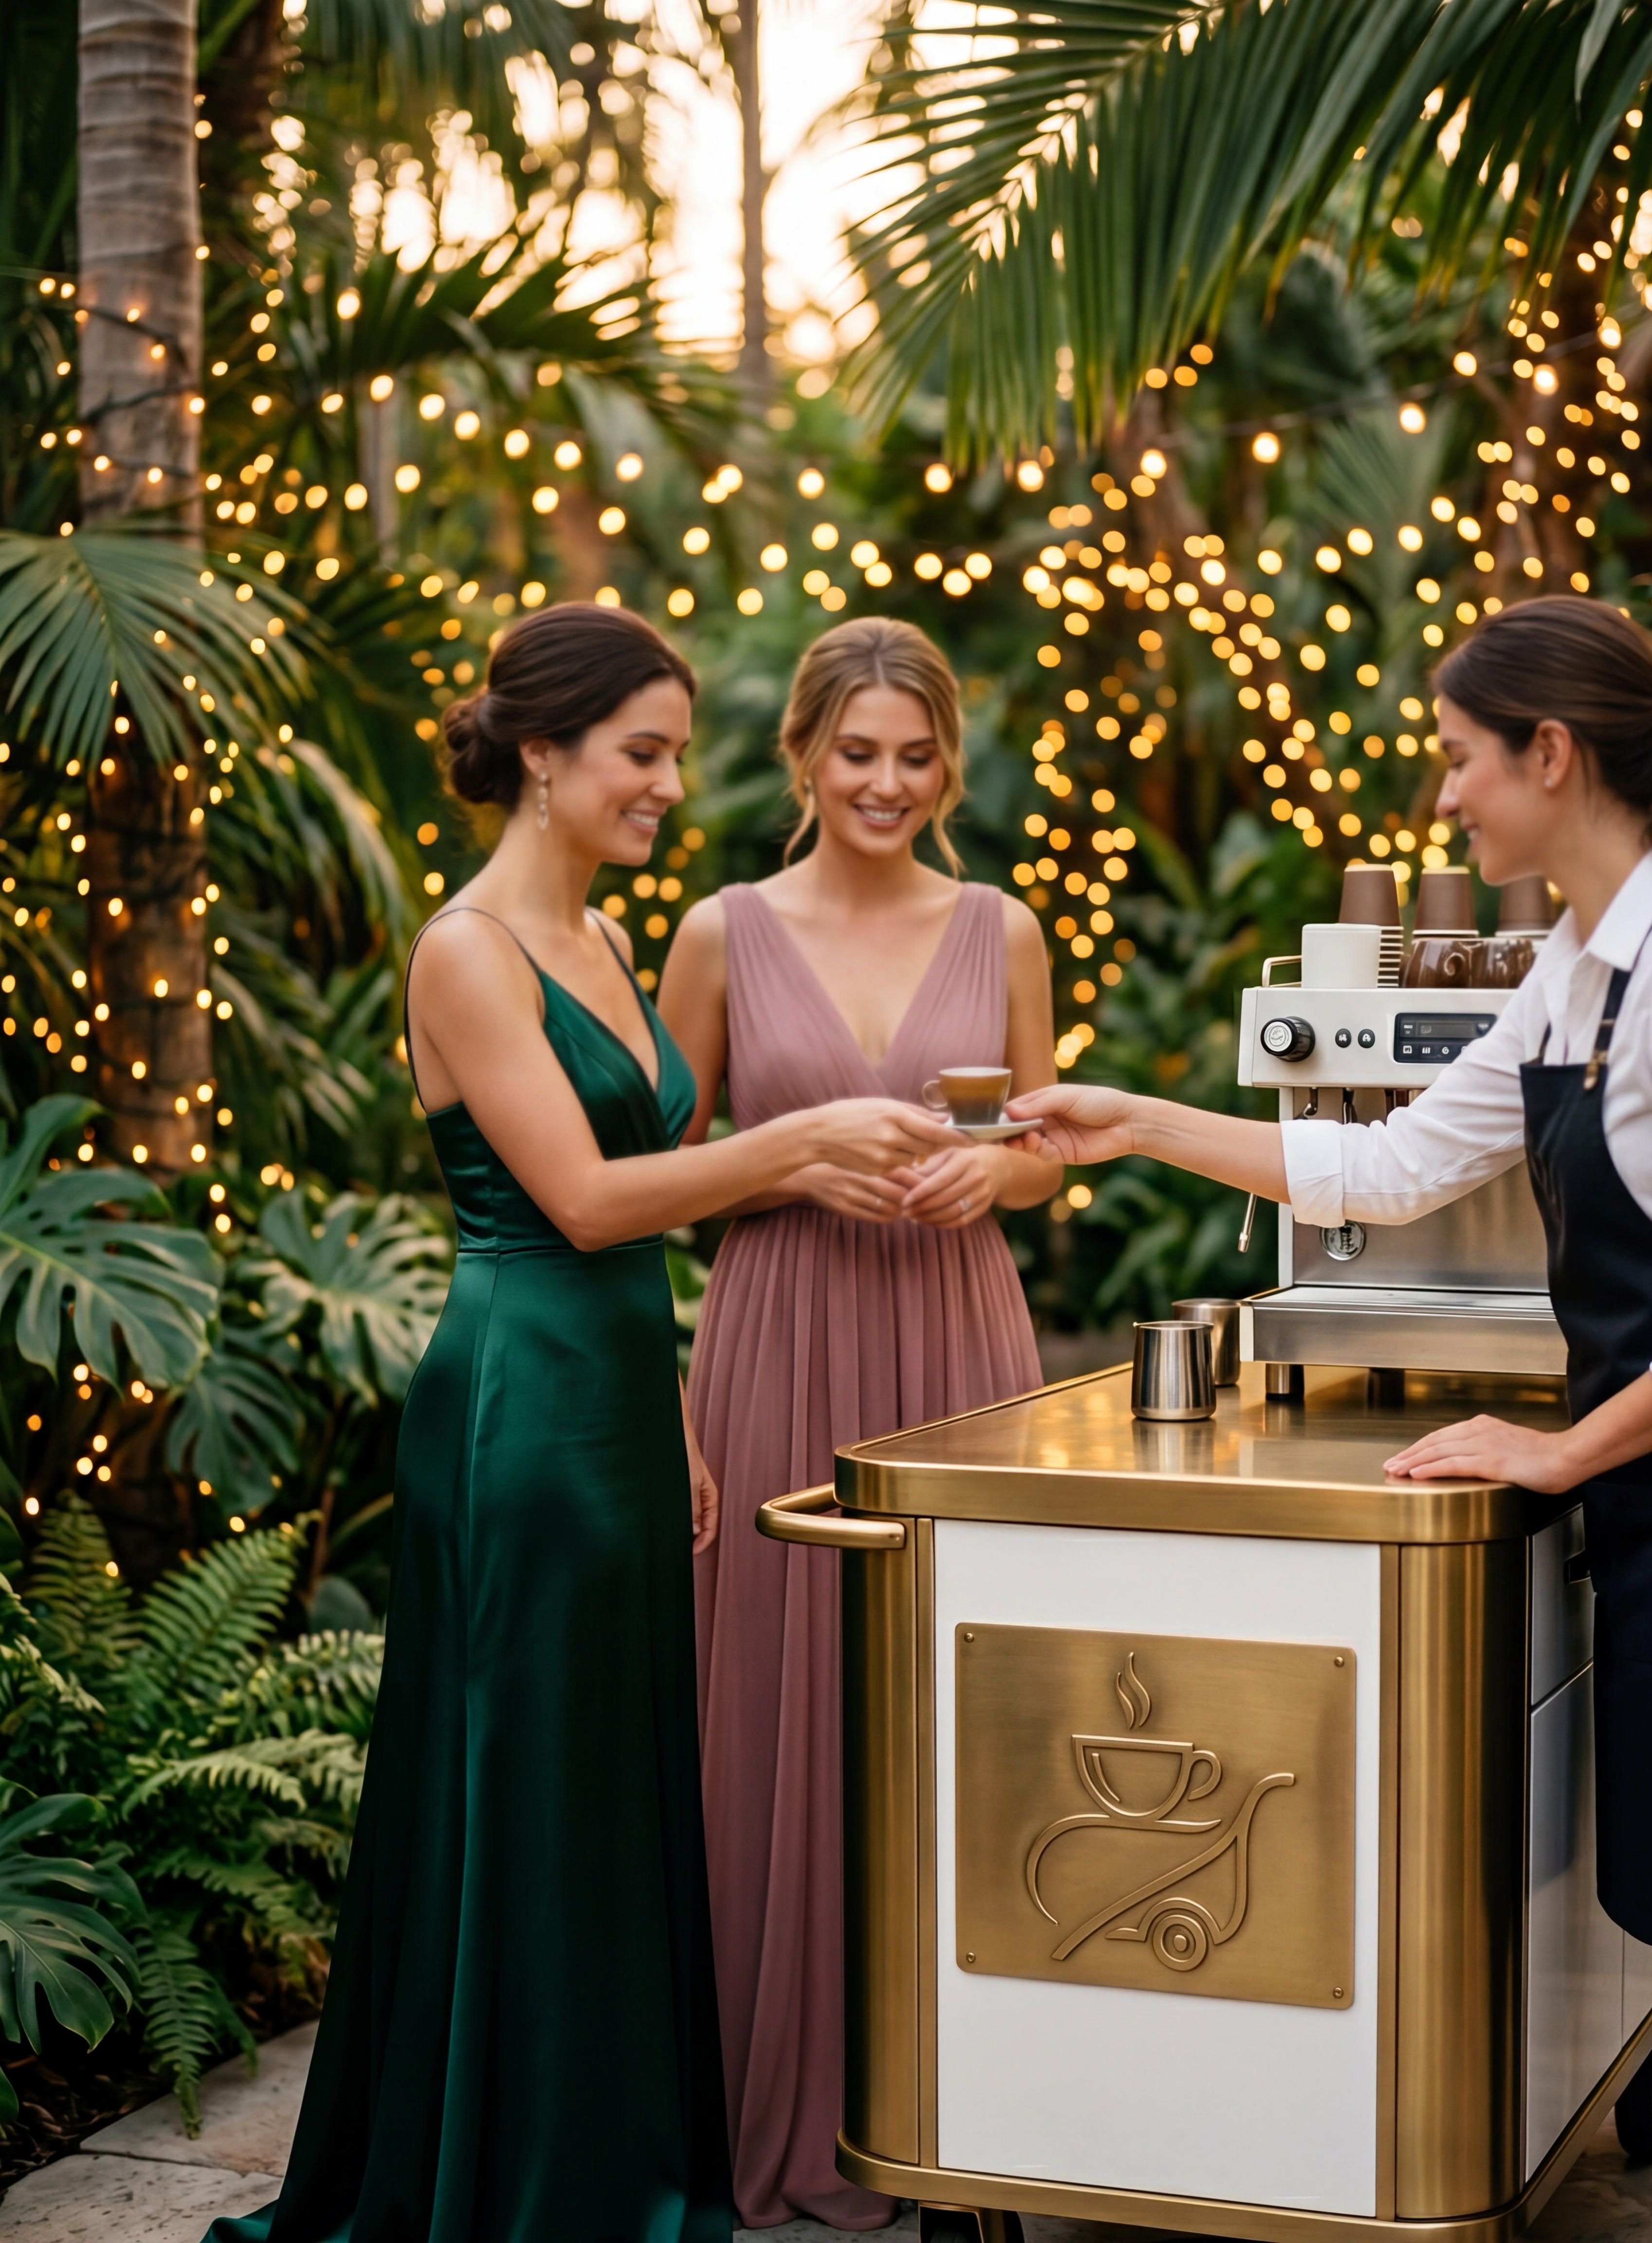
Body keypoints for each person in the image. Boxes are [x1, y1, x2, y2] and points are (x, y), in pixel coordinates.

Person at [1009, 596, 1652, 2243]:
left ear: (1553, 755)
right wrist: (1134, 1121)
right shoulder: (1586, 962)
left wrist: (1562, 1449)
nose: (1446, 800)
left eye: (1460, 761)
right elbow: (1385, 1169)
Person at [204, 604, 960, 2243]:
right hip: (521, 1407)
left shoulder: (606, 945)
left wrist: (681, 1403)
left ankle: (613, 2162)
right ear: (541, 757)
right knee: (527, 1794)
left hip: (619, 1396)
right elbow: (594, 1201)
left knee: (616, 1790)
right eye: (642, 755)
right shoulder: (467, 951)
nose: (670, 787)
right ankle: (511, 2182)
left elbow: (647, 1217)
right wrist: (796, 1141)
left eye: (675, 755)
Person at [659, 616, 1057, 2227]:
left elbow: (1046, 1143)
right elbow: (664, 1174)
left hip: (957, 1342)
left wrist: (1003, 1171)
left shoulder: (1004, 926)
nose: (885, 783)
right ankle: (785, 2106)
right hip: (775, 1342)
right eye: (857, 753)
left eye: (914, 756)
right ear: (804, 757)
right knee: (767, 1689)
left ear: (945, 765)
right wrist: (788, 1155)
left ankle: (973, 2109)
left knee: (970, 1707)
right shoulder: (718, 931)